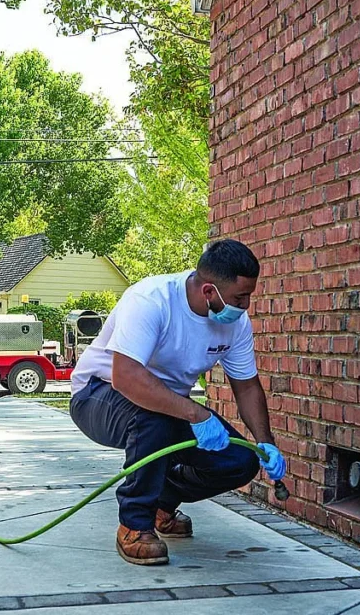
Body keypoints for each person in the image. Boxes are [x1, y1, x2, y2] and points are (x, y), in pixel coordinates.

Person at [70, 239, 286, 566]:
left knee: (239, 461)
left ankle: (161, 503)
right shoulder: (151, 300)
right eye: (241, 297)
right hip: (97, 395)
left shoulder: (236, 324)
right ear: (210, 292)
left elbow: (246, 387)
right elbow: (126, 377)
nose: (246, 306)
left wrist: (265, 443)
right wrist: (197, 415)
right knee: (153, 419)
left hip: (170, 407)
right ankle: (134, 525)